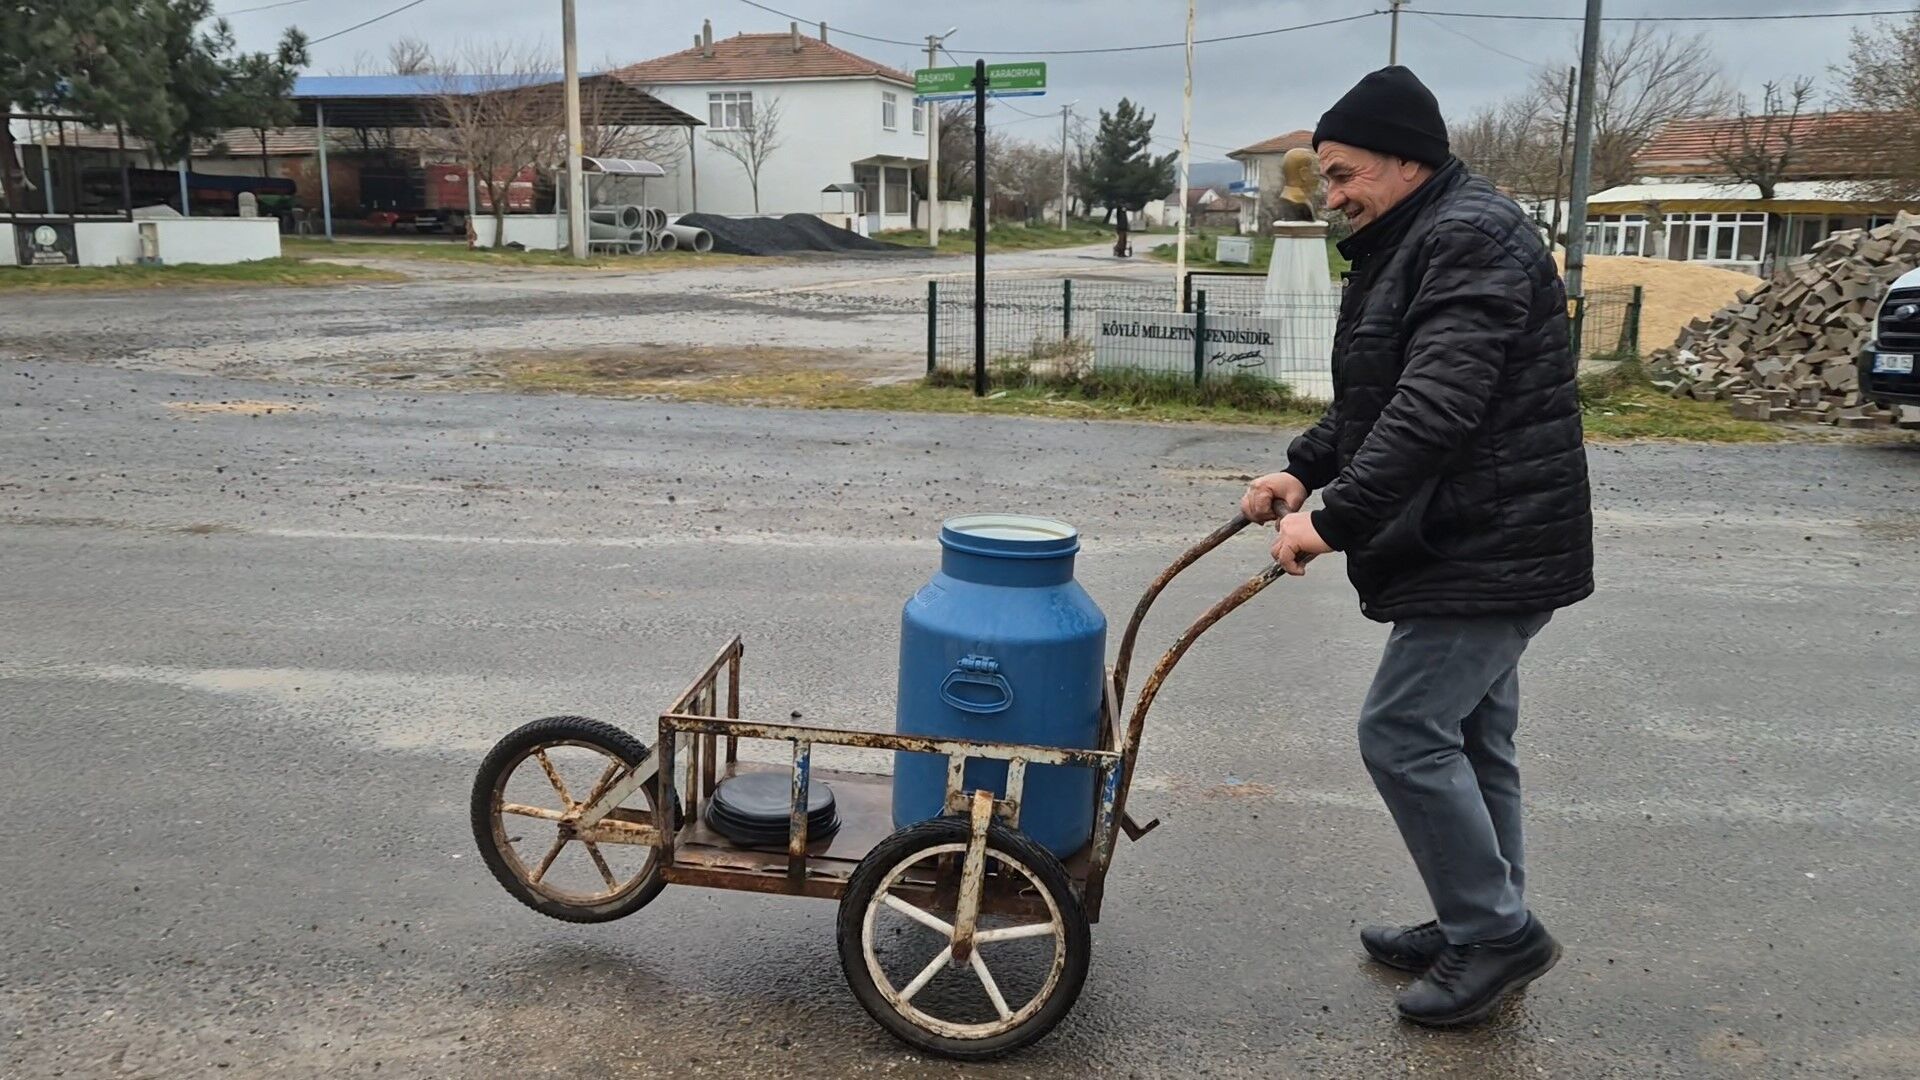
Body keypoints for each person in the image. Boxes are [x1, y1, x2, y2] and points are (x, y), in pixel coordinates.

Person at [1239, 66, 1594, 1028]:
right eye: (1326, 177)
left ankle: (1494, 934)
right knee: (1475, 738)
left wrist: (1332, 520)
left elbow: (1436, 410)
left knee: (1401, 733)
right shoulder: (1417, 237)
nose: (1335, 193)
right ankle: (1483, 916)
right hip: (1476, 534)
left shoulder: (1467, 237)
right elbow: (1381, 394)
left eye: (1346, 172)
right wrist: (1303, 470)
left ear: (1408, 159)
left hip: (1486, 539)